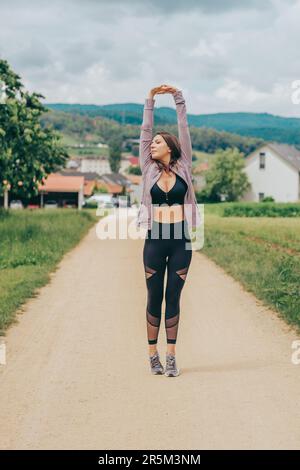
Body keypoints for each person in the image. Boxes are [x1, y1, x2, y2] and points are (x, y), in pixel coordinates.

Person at [138, 84, 200, 377]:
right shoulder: (147, 168)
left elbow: (184, 127)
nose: (153, 145)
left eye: (158, 142)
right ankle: (153, 356)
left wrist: (178, 99)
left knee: (173, 297)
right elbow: (144, 133)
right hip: (155, 239)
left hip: (180, 241)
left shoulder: (184, 164)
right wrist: (150, 100)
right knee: (154, 297)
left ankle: (171, 356)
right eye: (152, 143)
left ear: (171, 148)